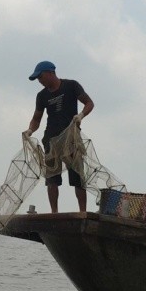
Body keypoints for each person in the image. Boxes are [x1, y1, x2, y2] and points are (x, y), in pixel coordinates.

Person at [23, 61, 94, 213]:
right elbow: (36, 119)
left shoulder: (71, 86)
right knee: (51, 179)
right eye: (37, 79)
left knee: (78, 177)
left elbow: (89, 103)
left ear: (50, 73)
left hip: (71, 138)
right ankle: (54, 212)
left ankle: (82, 212)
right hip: (51, 140)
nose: (39, 81)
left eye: (40, 77)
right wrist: (30, 130)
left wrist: (81, 115)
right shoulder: (41, 96)